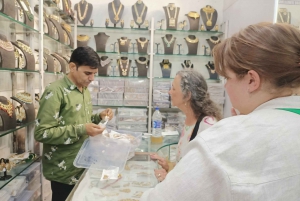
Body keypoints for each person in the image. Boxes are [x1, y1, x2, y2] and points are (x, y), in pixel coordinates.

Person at [141, 22, 300, 201]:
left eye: (227, 78)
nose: (225, 86)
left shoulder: (228, 138)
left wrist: (240, 130)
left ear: (251, 81)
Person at [34, 46, 113, 201]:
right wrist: (82, 129)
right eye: (87, 73)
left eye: (94, 74)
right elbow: (42, 132)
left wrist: (99, 117)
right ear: (72, 67)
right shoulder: (55, 92)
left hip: (82, 165)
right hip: (63, 172)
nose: (92, 78)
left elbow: (81, 120)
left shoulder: (83, 89)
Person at [150, 69, 222, 182]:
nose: (170, 92)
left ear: (187, 95)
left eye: (173, 88)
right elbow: (187, 166)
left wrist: (168, 179)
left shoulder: (207, 126)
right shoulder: (189, 120)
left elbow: (204, 178)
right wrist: (169, 167)